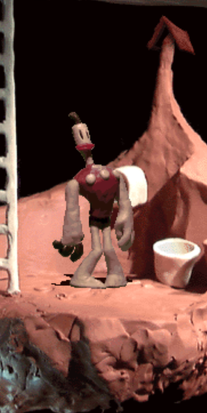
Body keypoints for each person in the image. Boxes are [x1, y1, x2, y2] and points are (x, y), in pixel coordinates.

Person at [53, 112, 134, 288]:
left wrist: (125, 215)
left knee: (106, 248)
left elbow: (72, 212)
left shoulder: (82, 180)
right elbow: (72, 213)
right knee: (99, 249)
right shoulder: (109, 175)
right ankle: (82, 276)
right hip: (98, 220)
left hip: (100, 219)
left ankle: (114, 275)